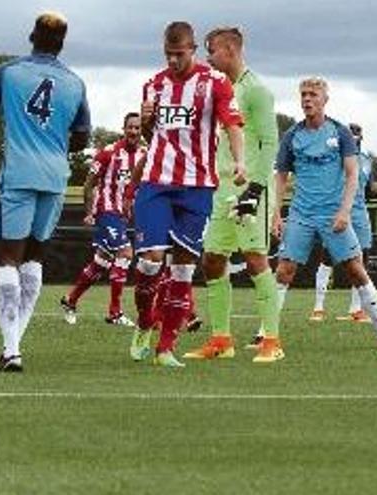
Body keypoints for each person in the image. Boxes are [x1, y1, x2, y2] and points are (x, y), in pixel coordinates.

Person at [0, 11, 90, 372]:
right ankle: (12, 346)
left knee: (9, 257)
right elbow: (83, 137)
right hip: (55, 175)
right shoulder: (75, 83)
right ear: (61, 44)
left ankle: (12, 349)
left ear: (32, 36)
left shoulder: (7, 72)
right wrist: (54, 141)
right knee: (34, 258)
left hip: (19, 173)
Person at [125, 21, 246, 368]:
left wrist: (239, 162)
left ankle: (165, 348)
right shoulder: (154, 85)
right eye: (168, 55)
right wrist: (147, 122)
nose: (174, 61)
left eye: (179, 54)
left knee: (182, 268)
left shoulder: (215, 83)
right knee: (150, 260)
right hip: (157, 183)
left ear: (192, 49)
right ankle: (146, 322)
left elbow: (233, 125)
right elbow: (152, 134)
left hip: (197, 186)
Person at [271, 77, 377, 351]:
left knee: (356, 270)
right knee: (284, 270)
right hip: (301, 213)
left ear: (324, 100)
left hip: (334, 215)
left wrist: (344, 211)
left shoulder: (340, 132)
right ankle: (266, 334)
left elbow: (353, 175)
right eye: (304, 94)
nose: (307, 99)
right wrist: (276, 214)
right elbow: (281, 176)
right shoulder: (292, 135)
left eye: (313, 94)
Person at [181, 27, 283, 363]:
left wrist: (255, 188)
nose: (208, 57)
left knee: (255, 258)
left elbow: (270, 143)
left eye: (211, 50)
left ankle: (272, 341)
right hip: (221, 188)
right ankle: (222, 340)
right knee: (212, 260)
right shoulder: (220, 88)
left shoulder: (256, 90)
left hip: (249, 188)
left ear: (229, 49)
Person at [60, 112, 144, 328]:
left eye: (137, 127)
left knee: (102, 262)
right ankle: (115, 312)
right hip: (106, 211)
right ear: (123, 129)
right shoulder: (108, 153)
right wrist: (88, 211)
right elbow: (89, 184)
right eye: (130, 127)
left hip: (124, 216)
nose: (134, 131)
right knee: (125, 253)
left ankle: (70, 300)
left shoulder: (145, 155)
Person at [309, 123, 377, 323]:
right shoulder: (333, 156)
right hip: (338, 210)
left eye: (359, 135)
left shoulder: (366, 159)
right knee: (328, 256)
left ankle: (356, 309)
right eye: (352, 135)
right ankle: (318, 307)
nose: (356, 138)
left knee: (361, 258)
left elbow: (367, 190)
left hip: (359, 213)